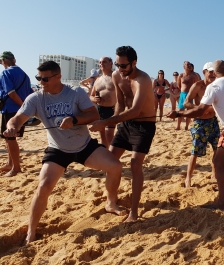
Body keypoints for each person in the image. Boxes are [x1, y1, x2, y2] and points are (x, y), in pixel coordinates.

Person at [3, 60, 124, 244]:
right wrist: (12, 126)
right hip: (57, 149)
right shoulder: (36, 98)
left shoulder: (75, 92)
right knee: (43, 186)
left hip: (84, 146)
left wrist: (74, 120)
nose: (41, 82)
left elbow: (93, 115)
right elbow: (18, 118)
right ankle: (31, 231)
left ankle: (111, 202)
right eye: (39, 78)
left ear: (58, 76)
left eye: (45, 79)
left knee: (115, 166)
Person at [166, 60, 224, 208]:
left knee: (218, 162)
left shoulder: (213, 87)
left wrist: (178, 113)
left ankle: (221, 201)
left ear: (213, 73)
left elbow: (200, 110)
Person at [89, 46, 156, 222]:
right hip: (126, 124)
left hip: (144, 125)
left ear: (134, 62)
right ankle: (111, 202)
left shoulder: (143, 80)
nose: (120, 69)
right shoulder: (117, 76)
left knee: (135, 165)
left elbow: (135, 110)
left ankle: (134, 213)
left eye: (124, 65)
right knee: (110, 161)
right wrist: (111, 122)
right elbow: (119, 104)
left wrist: (105, 122)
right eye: (118, 65)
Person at [182, 62, 219, 187]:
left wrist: (212, 110)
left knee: (216, 149)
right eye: (210, 72)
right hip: (199, 122)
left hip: (213, 121)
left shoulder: (217, 86)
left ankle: (214, 174)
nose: (212, 74)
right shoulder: (197, 86)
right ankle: (188, 177)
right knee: (195, 151)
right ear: (204, 72)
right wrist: (200, 108)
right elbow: (186, 103)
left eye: (214, 72)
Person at [0, 51, 33, 177]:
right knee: (10, 139)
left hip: (11, 109)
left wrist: (22, 105)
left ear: (4, 61)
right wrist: (26, 108)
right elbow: (30, 93)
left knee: (10, 138)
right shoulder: (24, 74)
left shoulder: (6, 72)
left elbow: (11, 93)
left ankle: (16, 167)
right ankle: (10, 163)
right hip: (20, 110)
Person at [89, 57, 116, 148]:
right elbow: (91, 96)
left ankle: (112, 157)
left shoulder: (116, 77)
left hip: (112, 109)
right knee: (103, 138)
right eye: (100, 62)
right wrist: (95, 99)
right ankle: (106, 157)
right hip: (100, 109)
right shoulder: (98, 80)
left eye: (104, 62)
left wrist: (119, 106)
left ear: (111, 64)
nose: (101, 64)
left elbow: (124, 93)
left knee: (109, 136)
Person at [176, 61, 199, 130]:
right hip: (183, 94)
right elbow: (179, 85)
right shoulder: (181, 75)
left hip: (190, 94)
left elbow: (197, 84)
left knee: (189, 111)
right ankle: (178, 126)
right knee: (180, 110)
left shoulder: (194, 75)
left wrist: (193, 93)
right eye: (187, 65)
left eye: (189, 65)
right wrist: (183, 91)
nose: (189, 66)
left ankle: (186, 126)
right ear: (184, 67)